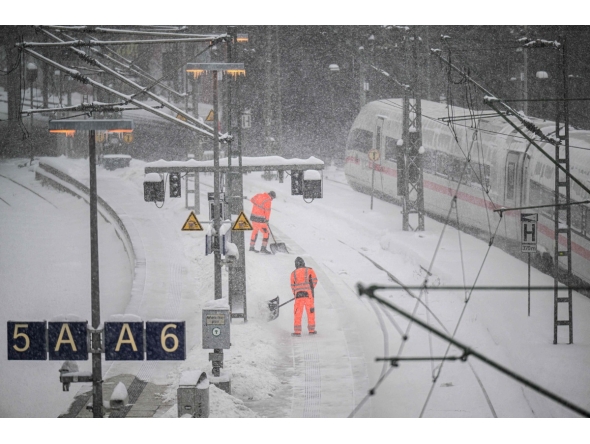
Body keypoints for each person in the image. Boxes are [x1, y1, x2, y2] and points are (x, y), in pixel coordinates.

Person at [290, 257, 318, 336]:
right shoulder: (309, 270)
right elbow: (315, 280)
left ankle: (297, 332)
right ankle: (311, 330)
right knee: (310, 312)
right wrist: (310, 287)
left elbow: (292, 285)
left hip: (298, 296)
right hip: (308, 295)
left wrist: (295, 293)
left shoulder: (293, 273)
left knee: (298, 313)